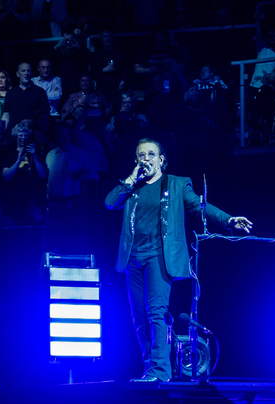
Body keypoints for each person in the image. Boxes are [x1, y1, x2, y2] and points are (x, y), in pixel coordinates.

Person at [104, 138, 252, 383]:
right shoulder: (132, 187)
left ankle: (160, 371)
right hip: (132, 258)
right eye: (141, 155)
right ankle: (149, 369)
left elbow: (200, 206)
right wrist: (130, 179)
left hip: (159, 257)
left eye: (151, 154)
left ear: (161, 159)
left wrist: (228, 220)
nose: (146, 159)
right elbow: (110, 203)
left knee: (156, 312)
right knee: (139, 318)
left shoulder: (177, 184)